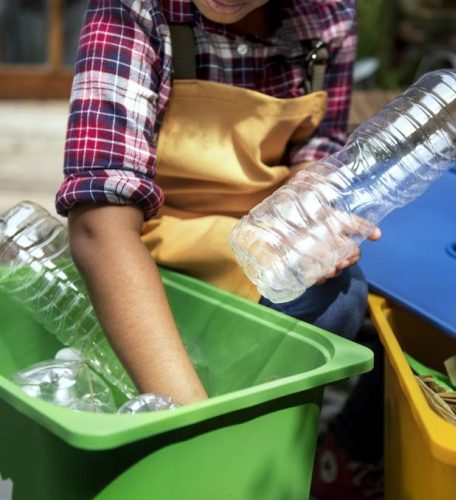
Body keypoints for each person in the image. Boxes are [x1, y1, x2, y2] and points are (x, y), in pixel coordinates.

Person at [56, 0, 383, 497]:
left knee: (340, 297)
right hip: (149, 256)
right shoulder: (135, 10)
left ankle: (261, 450)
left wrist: (314, 211)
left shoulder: (327, 16)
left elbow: (317, 148)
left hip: (252, 249)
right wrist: (194, 431)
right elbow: (99, 225)